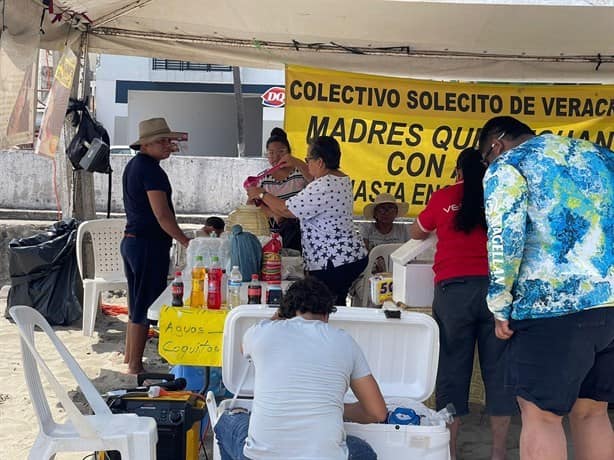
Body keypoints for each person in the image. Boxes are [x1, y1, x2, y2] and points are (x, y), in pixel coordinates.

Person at [478, 116, 614, 460]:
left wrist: (499, 304)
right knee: (593, 412)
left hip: (551, 306)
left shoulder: (510, 165)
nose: (487, 165)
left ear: (496, 145)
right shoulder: (602, 156)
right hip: (611, 304)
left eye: (485, 158)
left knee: (541, 416)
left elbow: (505, 240)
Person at [410, 148, 517, 460]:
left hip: (453, 292)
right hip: (496, 292)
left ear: (457, 171)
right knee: (498, 372)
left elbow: (417, 231)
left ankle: (451, 452)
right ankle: (498, 452)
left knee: (452, 372)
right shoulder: (498, 195)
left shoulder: (443, 197)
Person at [214, 277, 388, 460]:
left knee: (227, 421)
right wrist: (335, 408)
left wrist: (280, 314)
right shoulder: (345, 341)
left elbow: (243, 349)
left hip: (260, 457)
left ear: (285, 312)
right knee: (362, 451)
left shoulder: (262, 332)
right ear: (327, 315)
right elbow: (377, 412)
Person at [247, 136, 368, 305]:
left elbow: (286, 210)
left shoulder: (323, 186)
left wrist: (261, 193)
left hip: (332, 261)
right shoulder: (341, 178)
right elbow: (314, 178)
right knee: (334, 305)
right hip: (349, 256)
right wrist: (297, 163)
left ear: (320, 162)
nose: (307, 164)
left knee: (325, 307)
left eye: (308, 159)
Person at [121, 117, 191, 375]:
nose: (167, 145)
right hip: (147, 244)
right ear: (145, 145)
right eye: (160, 141)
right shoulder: (150, 170)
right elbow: (162, 214)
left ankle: (130, 356)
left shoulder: (135, 165)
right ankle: (135, 365)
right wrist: (184, 240)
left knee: (136, 301)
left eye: (167, 140)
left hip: (134, 242)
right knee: (144, 305)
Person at [249, 127, 309, 251]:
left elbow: (316, 183)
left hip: (302, 233)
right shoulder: (262, 178)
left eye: (281, 152)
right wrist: (273, 214)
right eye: (271, 153)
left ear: (289, 153)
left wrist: (298, 163)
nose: (276, 157)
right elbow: (252, 203)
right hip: (273, 234)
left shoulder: (301, 173)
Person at [360, 192, 410, 261]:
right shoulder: (366, 228)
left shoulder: (404, 229)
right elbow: (363, 253)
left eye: (390, 208)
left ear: (396, 212)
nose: (386, 213)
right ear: (375, 213)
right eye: (382, 208)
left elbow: (409, 252)